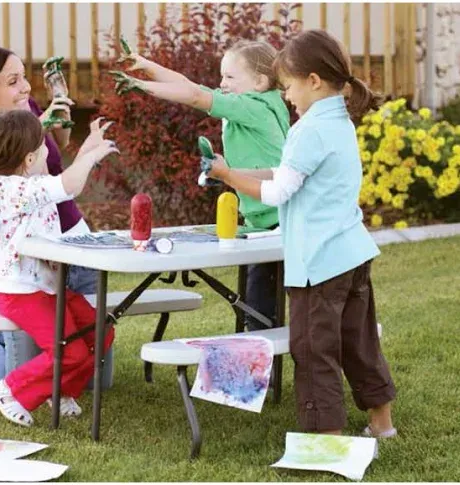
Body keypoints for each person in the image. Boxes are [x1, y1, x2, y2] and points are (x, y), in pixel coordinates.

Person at [207, 29, 397, 438]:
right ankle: (382, 425)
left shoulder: (308, 130)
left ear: (313, 80)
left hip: (320, 265)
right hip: (352, 254)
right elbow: (288, 175)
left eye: (289, 85)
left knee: (314, 351)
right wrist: (233, 173)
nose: (286, 95)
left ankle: (326, 441)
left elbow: (277, 192)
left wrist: (227, 176)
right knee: (357, 344)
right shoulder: (338, 120)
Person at [0, 46, 102, 389]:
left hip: (73, 241)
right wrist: (32, 131)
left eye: (24, 77)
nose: (27, 88)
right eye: (14, 81)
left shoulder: (26, 109)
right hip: (29, 266)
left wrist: (58, 127)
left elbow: (54, 160)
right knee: (12, 374)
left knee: (94, 380)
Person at [116, 39, 289, 332]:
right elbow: (188, 85)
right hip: (264, 223)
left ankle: (261, 366)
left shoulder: (254, 106)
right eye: (222, 76)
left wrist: (142, 86)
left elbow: (195, 96)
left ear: (260, 81)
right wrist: (146, 66)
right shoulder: (252, 103)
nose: (222, 83)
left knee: (260, 314)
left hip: (276, 225)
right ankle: (259, 360)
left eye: (231, 77)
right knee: (257, 306)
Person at [0, 109, 118, 426]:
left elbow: (63, 182)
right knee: (72, 352)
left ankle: (59, 392)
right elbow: (70, 185)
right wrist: (90, 159)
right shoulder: (12, 191)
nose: (50, 148)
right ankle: (11, 390)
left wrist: (89, 144)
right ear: (29, 159)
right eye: (45, 144)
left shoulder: (27, 183)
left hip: (48, 288)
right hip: (21, 293)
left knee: (101, 332)